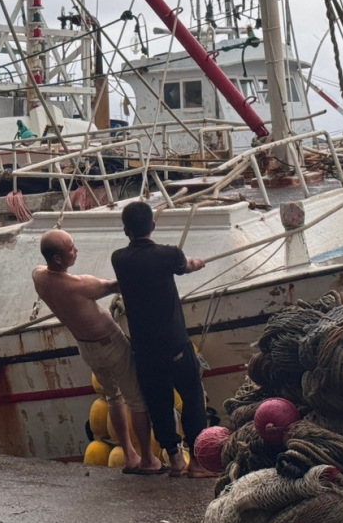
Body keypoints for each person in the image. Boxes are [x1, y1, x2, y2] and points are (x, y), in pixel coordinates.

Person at [32, 229, 164, 475]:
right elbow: (118, 285)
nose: (76, 250)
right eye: (71, 248)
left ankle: (129, 455)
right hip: (109, 344)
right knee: (137, 400)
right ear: (58, 258)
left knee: (113, 398)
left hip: (86, 347)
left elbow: (43, 269)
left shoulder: (38, 277)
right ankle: (147, 458)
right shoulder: (81, 285)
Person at [111, 201, 216, 478]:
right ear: (153, 226)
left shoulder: (118, 259)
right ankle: (197, 461)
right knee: (192, 397)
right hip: (175, 345)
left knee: (159, 404)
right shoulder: (169, 255)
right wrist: (198, 262)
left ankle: (175, 460)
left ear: (126, 230)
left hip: (145, 351)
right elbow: (188, 265)